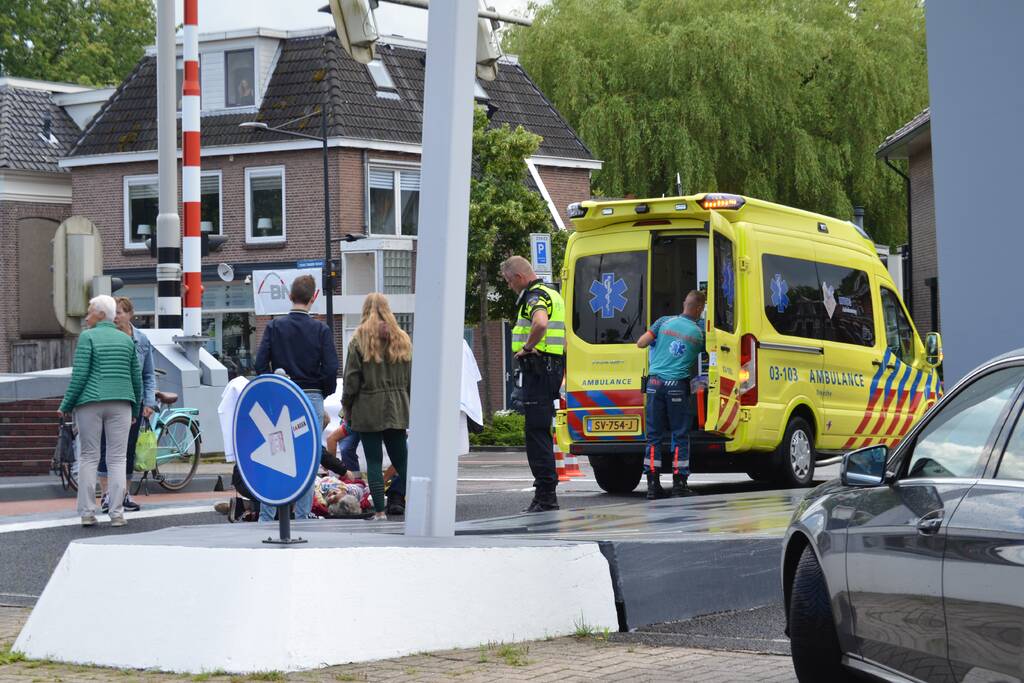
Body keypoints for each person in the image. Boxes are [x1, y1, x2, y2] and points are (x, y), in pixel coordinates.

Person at [254, 274, 339, 521]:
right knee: (307, 458)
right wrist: (323, 389)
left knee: (274, 455)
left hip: (282, 397)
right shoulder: (321, 330)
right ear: (314, 298)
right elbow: (331, 367)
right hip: (310, 398)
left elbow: (260, 364)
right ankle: (303, 517)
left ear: (290, 297)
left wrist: (274, 387)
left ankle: (266, 517)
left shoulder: (274, 327)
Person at [58, 295, 142, 527]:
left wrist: (66, 404)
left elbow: (80, 375)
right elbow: (136, 379)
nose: (87, 316)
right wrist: (135, 407)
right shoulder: (126, 340)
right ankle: (117, 514)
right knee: (117, 459)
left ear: (101, 314)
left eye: (90, 311)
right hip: (121, 403)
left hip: (90, 402)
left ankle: (87, 512)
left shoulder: (87, 337)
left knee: (89, 457)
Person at [500, 255, 566, 513]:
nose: (509, 286)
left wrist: (527, 348)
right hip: (549, 370)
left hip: (538, 372)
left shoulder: (534, 296)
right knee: (540, 431)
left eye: (508, 281)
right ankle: (545, 494)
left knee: (536, 434)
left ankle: (546, 496)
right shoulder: (553, 293)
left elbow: (540, 322)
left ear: (518, 277)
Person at [341, 293, 412, 521]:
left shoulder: (359, 340)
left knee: (373, 460)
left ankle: (379, 510)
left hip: (368, 407)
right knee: (402, 460)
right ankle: (421, 502)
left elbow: (351, 381)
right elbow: (411, 379)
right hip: (398, 406)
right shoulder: (401, 338)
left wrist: (347, 408)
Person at [636, 289, 706, 499]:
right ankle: (679, 484)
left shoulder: (663, 322)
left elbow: (641, 343)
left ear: (685, 303)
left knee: (654, 436)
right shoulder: (700, 332)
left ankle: (652, 485)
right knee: (679, 434)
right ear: (700, 309)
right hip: (677, 386)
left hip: (655, 384)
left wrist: (659, 344)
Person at [97, 297, 156, 513]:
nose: (116, 316)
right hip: (110, 399)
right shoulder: (107, 338)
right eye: (114, 312)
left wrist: (148, 402)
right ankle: (106, 496)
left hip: (135, 401)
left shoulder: (142, 340)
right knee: (107, 447)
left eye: (120, 312)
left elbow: (148, 374)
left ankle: (123, 493)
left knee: (128, 450)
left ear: (130, 314)